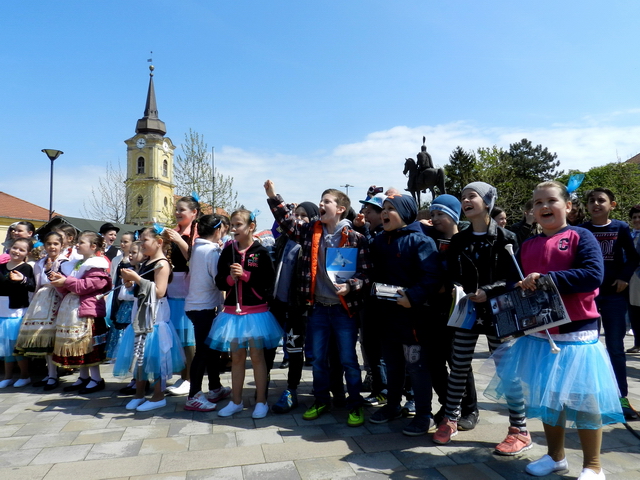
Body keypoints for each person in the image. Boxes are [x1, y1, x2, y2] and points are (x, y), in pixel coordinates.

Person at [487, 181, 624, 480]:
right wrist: (518, 285)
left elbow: (593, 275)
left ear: (568, 206)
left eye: (551, 200)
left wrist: (547, 279)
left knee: (584, 400)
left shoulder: (581, 236)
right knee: (547, 398)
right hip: (539, 334)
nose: (544, 206)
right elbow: (510, 280)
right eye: (538, 203)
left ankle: (593, 466)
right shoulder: (527, 244)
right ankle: (555, 457)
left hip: (577, 334)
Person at [432, 182, 531, 455]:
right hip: (468, 311)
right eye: (463, 197)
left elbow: (514, 277)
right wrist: (458, 288)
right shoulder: (459, 240)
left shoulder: (506, 237)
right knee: (459, 365)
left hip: (500, 311)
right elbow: (452, 273)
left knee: (506, 370)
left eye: (472, 196)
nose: (466, 200)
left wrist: (488, 291)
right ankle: (450, 418)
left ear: (488, 202)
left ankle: (520, 429)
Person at [265, 179, 371, 427]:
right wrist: (272, 195)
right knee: (319, 361)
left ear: (341, 209)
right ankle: (321, 400)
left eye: (327, 201)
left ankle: (355, 404)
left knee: (349, 361)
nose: (321, 204)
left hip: (344, 311)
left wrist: (350, 286)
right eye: (321, 201)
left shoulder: (355, 238)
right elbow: (287, 223)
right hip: (318, 309)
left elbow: (366, 275)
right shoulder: (310, 233)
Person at [367, 194, 442, 436]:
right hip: (386, 317)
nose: (384, 212)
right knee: (393, 364)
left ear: (406, 213)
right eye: (383, 208)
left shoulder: (420, 241)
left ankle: (424, 415)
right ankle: (392, 406)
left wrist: (412, 297)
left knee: (417, 367)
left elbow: (432, 277)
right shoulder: (378, 241)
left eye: (391, 208)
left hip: (413, 320)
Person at [206, 209, 283, 419]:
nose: (234, 229)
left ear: (251, 227)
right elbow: (219, 281)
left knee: (257, 357)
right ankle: (236, 401)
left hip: (256, 313)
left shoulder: (261, 252)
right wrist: (230, 279)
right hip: (232, 314)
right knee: (237, 357)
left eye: (238, 224)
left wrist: (246, 275)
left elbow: (268, 282)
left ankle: (261, 401)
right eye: (232, 225)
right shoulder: (228, 251)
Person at [580, 188, 640, 420]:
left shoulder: (621, 228)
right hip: (588, 297)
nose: (596, 204)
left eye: (601, 200)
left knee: (615, 347)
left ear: (612, 205)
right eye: (591, 200)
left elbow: (633, 257)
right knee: (587, 346)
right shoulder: (581, 230)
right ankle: (590, 397)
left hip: (614, 296)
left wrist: (624, 277)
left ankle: (620, 397)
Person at [114, 226, 186, 411]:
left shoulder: (162, 263)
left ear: (159, 242)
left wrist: (137, 279)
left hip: (155, 315)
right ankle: (139, 394)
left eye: (145, 240)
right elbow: (140, 289)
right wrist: (130, 284)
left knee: (156, 356)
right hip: (141, 312)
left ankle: (158, 396)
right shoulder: (147, 261)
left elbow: (160, 291)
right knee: (140, 355)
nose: (141, 243)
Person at [425, 194, 479, 430]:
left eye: (441, 214)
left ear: (454, 216)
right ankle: (448, 405)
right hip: (432, 310)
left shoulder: (465, 241)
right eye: (433, 214)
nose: (435, 218)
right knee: (434, 362)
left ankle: (470, 409)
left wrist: (449, 285)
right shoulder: (428, 240)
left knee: (459, 362)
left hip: (458, 310)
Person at [268, 201, 320, 414]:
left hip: (297, 306)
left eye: (303, 215)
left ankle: (292, 389)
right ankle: (263, 387)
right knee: (268, 346)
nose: (298, 218)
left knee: (294, 348)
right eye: (295, 214)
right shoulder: (283, 240)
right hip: (277, 303)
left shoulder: (308, 243)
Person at [49, 231, 112, 393]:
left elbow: (85, 286)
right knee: (78, 345)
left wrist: (66, 281)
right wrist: (59, 282)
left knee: (89, 346)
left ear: (93, 246)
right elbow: (69, 287)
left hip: (88, 311)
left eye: (81, 242)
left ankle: (96, 379)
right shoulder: (76, 264)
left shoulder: (97, 266)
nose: (77, 245)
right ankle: (83, 377)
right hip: (73, 310)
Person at [183, 214, 231, 412]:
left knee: (211, 350)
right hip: (204, 307)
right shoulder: (211, 251)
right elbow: (218, 280)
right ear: (218, 230)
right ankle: (193, 395)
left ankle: (215, 387)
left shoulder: (197, 247)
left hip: (197, 306)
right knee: (203, 352)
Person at [14, 232, 68, 390]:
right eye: (49, 244)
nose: (52, 247)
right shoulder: (40, 263)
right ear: (44, 245)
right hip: (41, 301)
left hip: (57, 299)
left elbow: (65, 283)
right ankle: (50, 373)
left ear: (62, 245)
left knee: (53, 339)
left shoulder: (64, 262)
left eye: (55, 244)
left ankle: (54, 374)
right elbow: (36, 284)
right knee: (44, 339)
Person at [164, 196, 199, 396]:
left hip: (188, 290)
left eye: (182, 210)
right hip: (173, 289)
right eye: (176, 209)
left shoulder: (197, 233)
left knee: (188, 337)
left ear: (194, 213)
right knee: (178, 335)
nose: (177, 213)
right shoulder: (174, 232)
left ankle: (190, 379)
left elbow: (194, 259)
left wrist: (178, 240)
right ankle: (183, 375)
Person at [0, 238, 36, 388]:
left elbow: (32, 286)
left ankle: (24, 375)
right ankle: (7, 376)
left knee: (16, 346)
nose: (17, 251)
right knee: (5, 347)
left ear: (27, 253)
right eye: (15, 247)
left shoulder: (26, 268)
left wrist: (22, 280)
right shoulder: (1, 267)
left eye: (22, 250)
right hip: (2, 310)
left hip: (16, 312)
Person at [112, 240, 146, 395]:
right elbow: (130, 292)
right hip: (133, 312)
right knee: (134, 348)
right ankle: (135, 378)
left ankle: (143, 380)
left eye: (134, 252)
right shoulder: (129, 270)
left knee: (142, 349)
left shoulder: (145, 272)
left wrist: (133, 285)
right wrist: (128, 286)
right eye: (130, 252)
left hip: (142, 313)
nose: (130, 255)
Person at [627, 204, 640, 354]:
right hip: (631, 279)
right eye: (634, 217)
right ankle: (637, 343)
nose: (636, 220)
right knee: (634, 312)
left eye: (639, 217)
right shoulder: (630, 235)